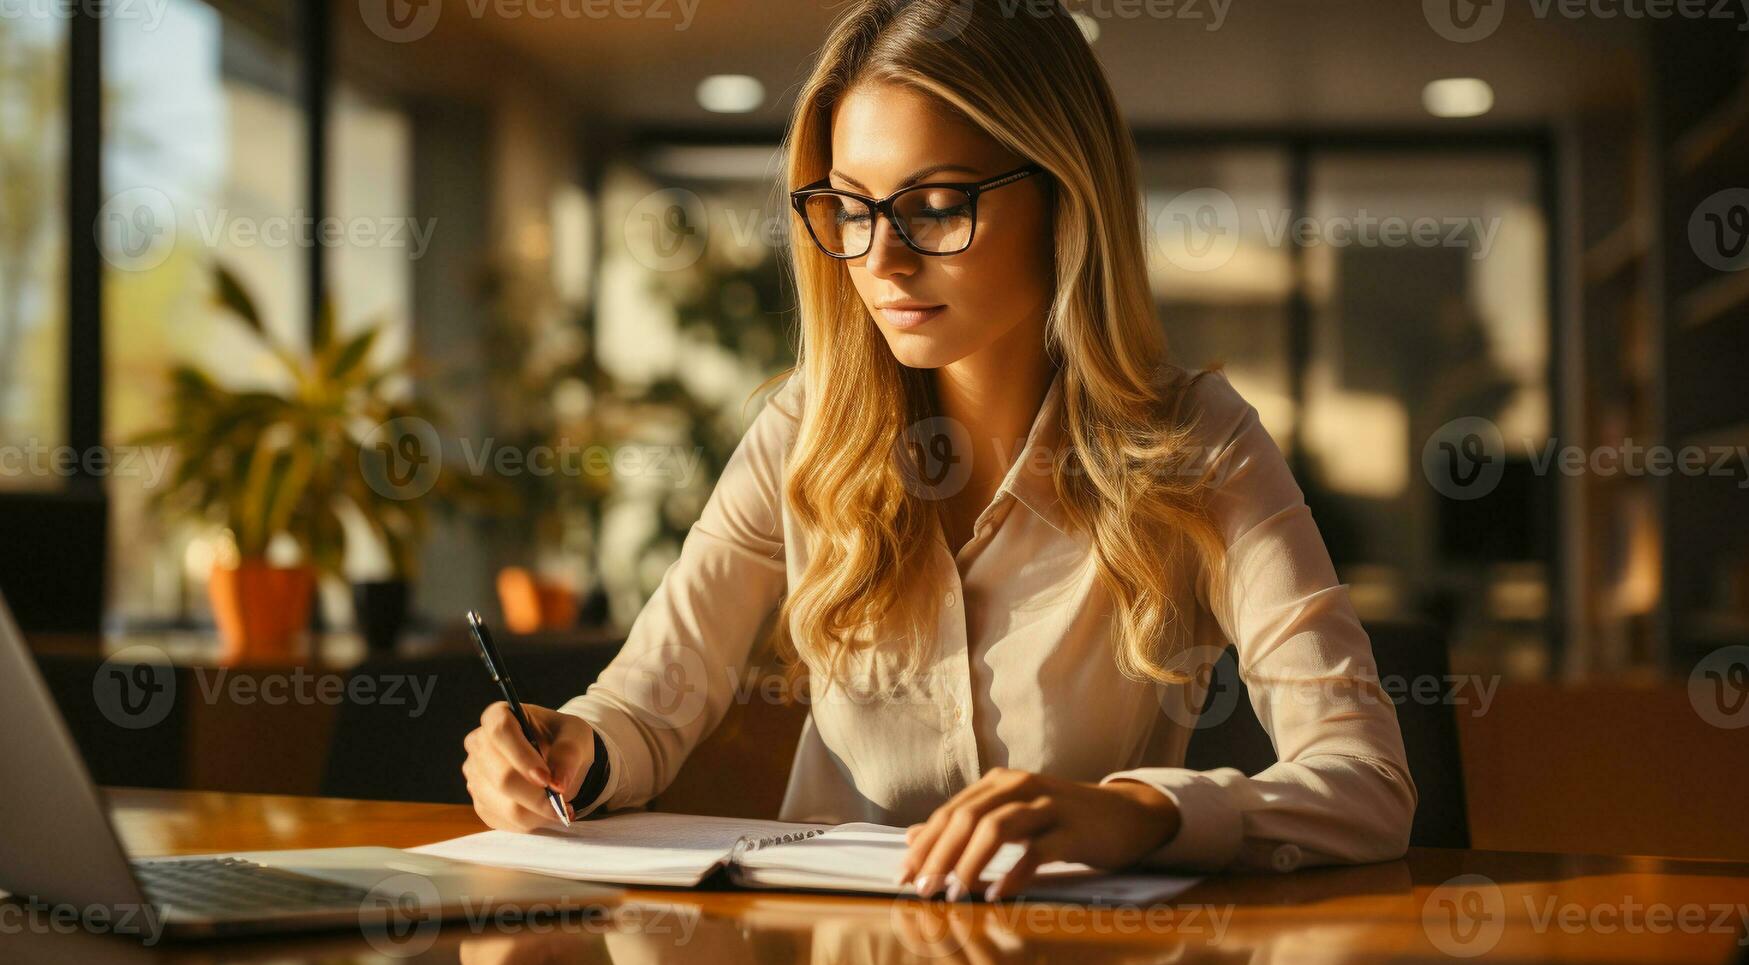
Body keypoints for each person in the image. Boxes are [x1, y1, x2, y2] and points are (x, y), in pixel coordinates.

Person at [462, 0, 1415, 903]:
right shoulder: (805, 433)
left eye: (936, 205)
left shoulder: (1195, 441)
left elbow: (1365, 780)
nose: (880, 259)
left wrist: (1138, 811)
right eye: (850, 208)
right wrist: (569, 750)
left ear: (1062, 198)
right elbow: (642, 712)